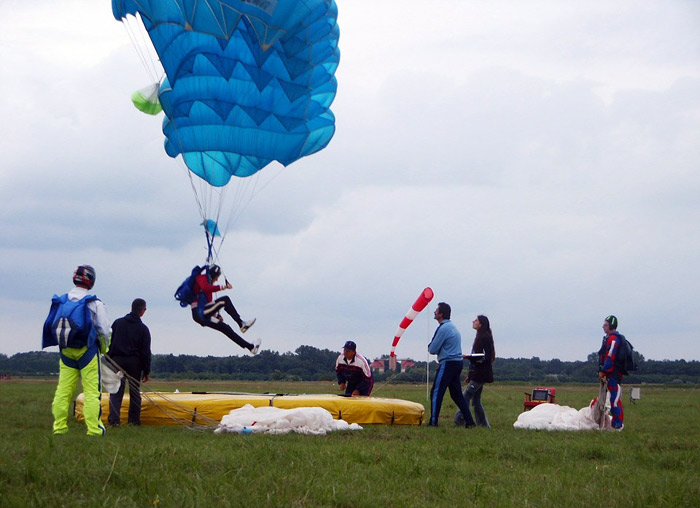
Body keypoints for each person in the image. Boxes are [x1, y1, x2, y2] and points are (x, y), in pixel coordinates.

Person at [42, 265, 110, 436]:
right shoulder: (94, 302)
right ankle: (94, 430)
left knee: (63, 391)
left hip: (66, 352)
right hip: (87, 352)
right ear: (91, 281)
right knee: (92, 393)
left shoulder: (61, 301)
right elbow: (104, 330)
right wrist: (104, 348)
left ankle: (59, 427)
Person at [191, 264, 260, 354]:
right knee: (225, 300)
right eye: (217, 277)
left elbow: (209, 305)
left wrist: (216, 315)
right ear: (213, 275)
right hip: (199, 313)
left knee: (226, 328)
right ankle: (241, 324)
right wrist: (223, 287)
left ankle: (251, 348)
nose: (217, 279)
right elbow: (205, 288)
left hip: (203, 314)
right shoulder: (201, 279)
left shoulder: (208, 290)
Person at [427, 302, 476, 427]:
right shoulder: (453, 327)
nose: (434, 312)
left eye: (436, 311)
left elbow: (432, 349)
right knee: (456, 394)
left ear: (441, 314)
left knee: (436, 392)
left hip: (447, 363)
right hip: (457, 362)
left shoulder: (443, 328)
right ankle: (469, 422)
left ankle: (433, 422)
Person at [106, 298, 152, 427]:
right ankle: (134, 421)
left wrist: (110, 359)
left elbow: (109, 342)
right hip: (134, 364)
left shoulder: (117, 323)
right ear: (142, 311)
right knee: (135, 392)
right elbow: (145, 352)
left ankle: (114, 421)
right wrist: (146, 371)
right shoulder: (143, 329)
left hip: (117, 362)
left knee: (116, 392)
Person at [455, 315, 496, 428]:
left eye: (476, 320)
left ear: (481, 324)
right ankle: (483, 425)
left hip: (480, 374)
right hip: (478, 374)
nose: (473, 322)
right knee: (476, 401)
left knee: (465, 396)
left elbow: (484, 357)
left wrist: (468, 357)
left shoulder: (483, 337)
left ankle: (459, 420)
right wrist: (470, 374)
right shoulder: (482, 336)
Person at [598, 315, 625, 430]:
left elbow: (610, 356)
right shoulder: (609, 338)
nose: (603, 327)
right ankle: (612, 424)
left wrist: (604, 371)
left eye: (606, 325)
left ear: (611, 326)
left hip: (613, 375)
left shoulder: (614, 339)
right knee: (609, 400)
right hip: (609, 374)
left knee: (614, 401)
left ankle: (617, 425)